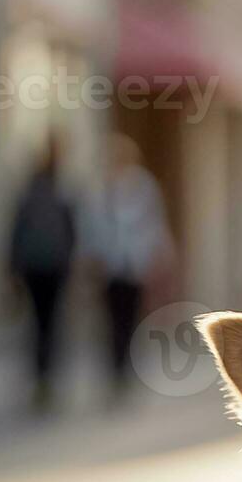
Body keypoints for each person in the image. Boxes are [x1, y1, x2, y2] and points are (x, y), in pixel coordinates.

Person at [88, 135, 173, 402]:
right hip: (111, 267)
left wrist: (158, 259)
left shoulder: (143, 187)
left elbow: (153, 226)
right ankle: (115, 372)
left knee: (131, 319)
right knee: (112, 321)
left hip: (135, 266)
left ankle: (127, 371)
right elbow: (93, 228)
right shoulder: (103, 189)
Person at [7, 137, 77, 414]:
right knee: (47, 326)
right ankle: (43, 379)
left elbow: (16, 233)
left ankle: (44, 379)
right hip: (47, 268)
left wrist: (12, 268)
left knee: (41, 326)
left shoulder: (36, 192)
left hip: (41, 268)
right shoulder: (60, 192)